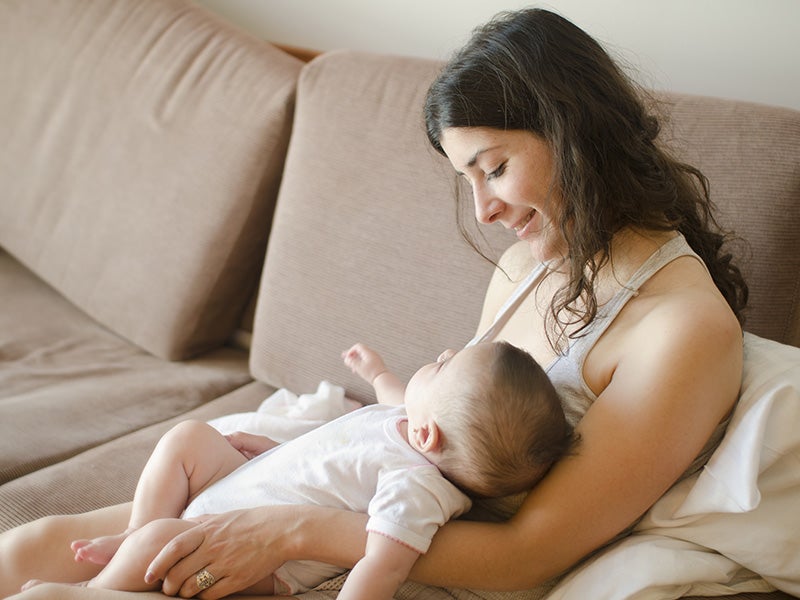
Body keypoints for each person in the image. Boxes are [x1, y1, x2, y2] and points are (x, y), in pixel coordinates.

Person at [0, 7, 747, 600]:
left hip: (407, 557)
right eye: (468, 180)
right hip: (352, 503)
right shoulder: (529, 261)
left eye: (494, 168)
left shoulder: (681, 331)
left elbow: (528, 553)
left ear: (571, 129)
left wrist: (291, 532)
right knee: (24, 551)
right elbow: (441, 434)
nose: (483, 210)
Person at [21, 341, 572, 599]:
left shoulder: (417, 488)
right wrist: (375, 369)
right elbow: (379, 409)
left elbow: (382, 564)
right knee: (189, 437)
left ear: (429, 436)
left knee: (166, 539)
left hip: (252, 563)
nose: (446, 354)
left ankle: (96, 590)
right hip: (244, 483)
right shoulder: (414, 421)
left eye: (446, 367)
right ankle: (129, 535)